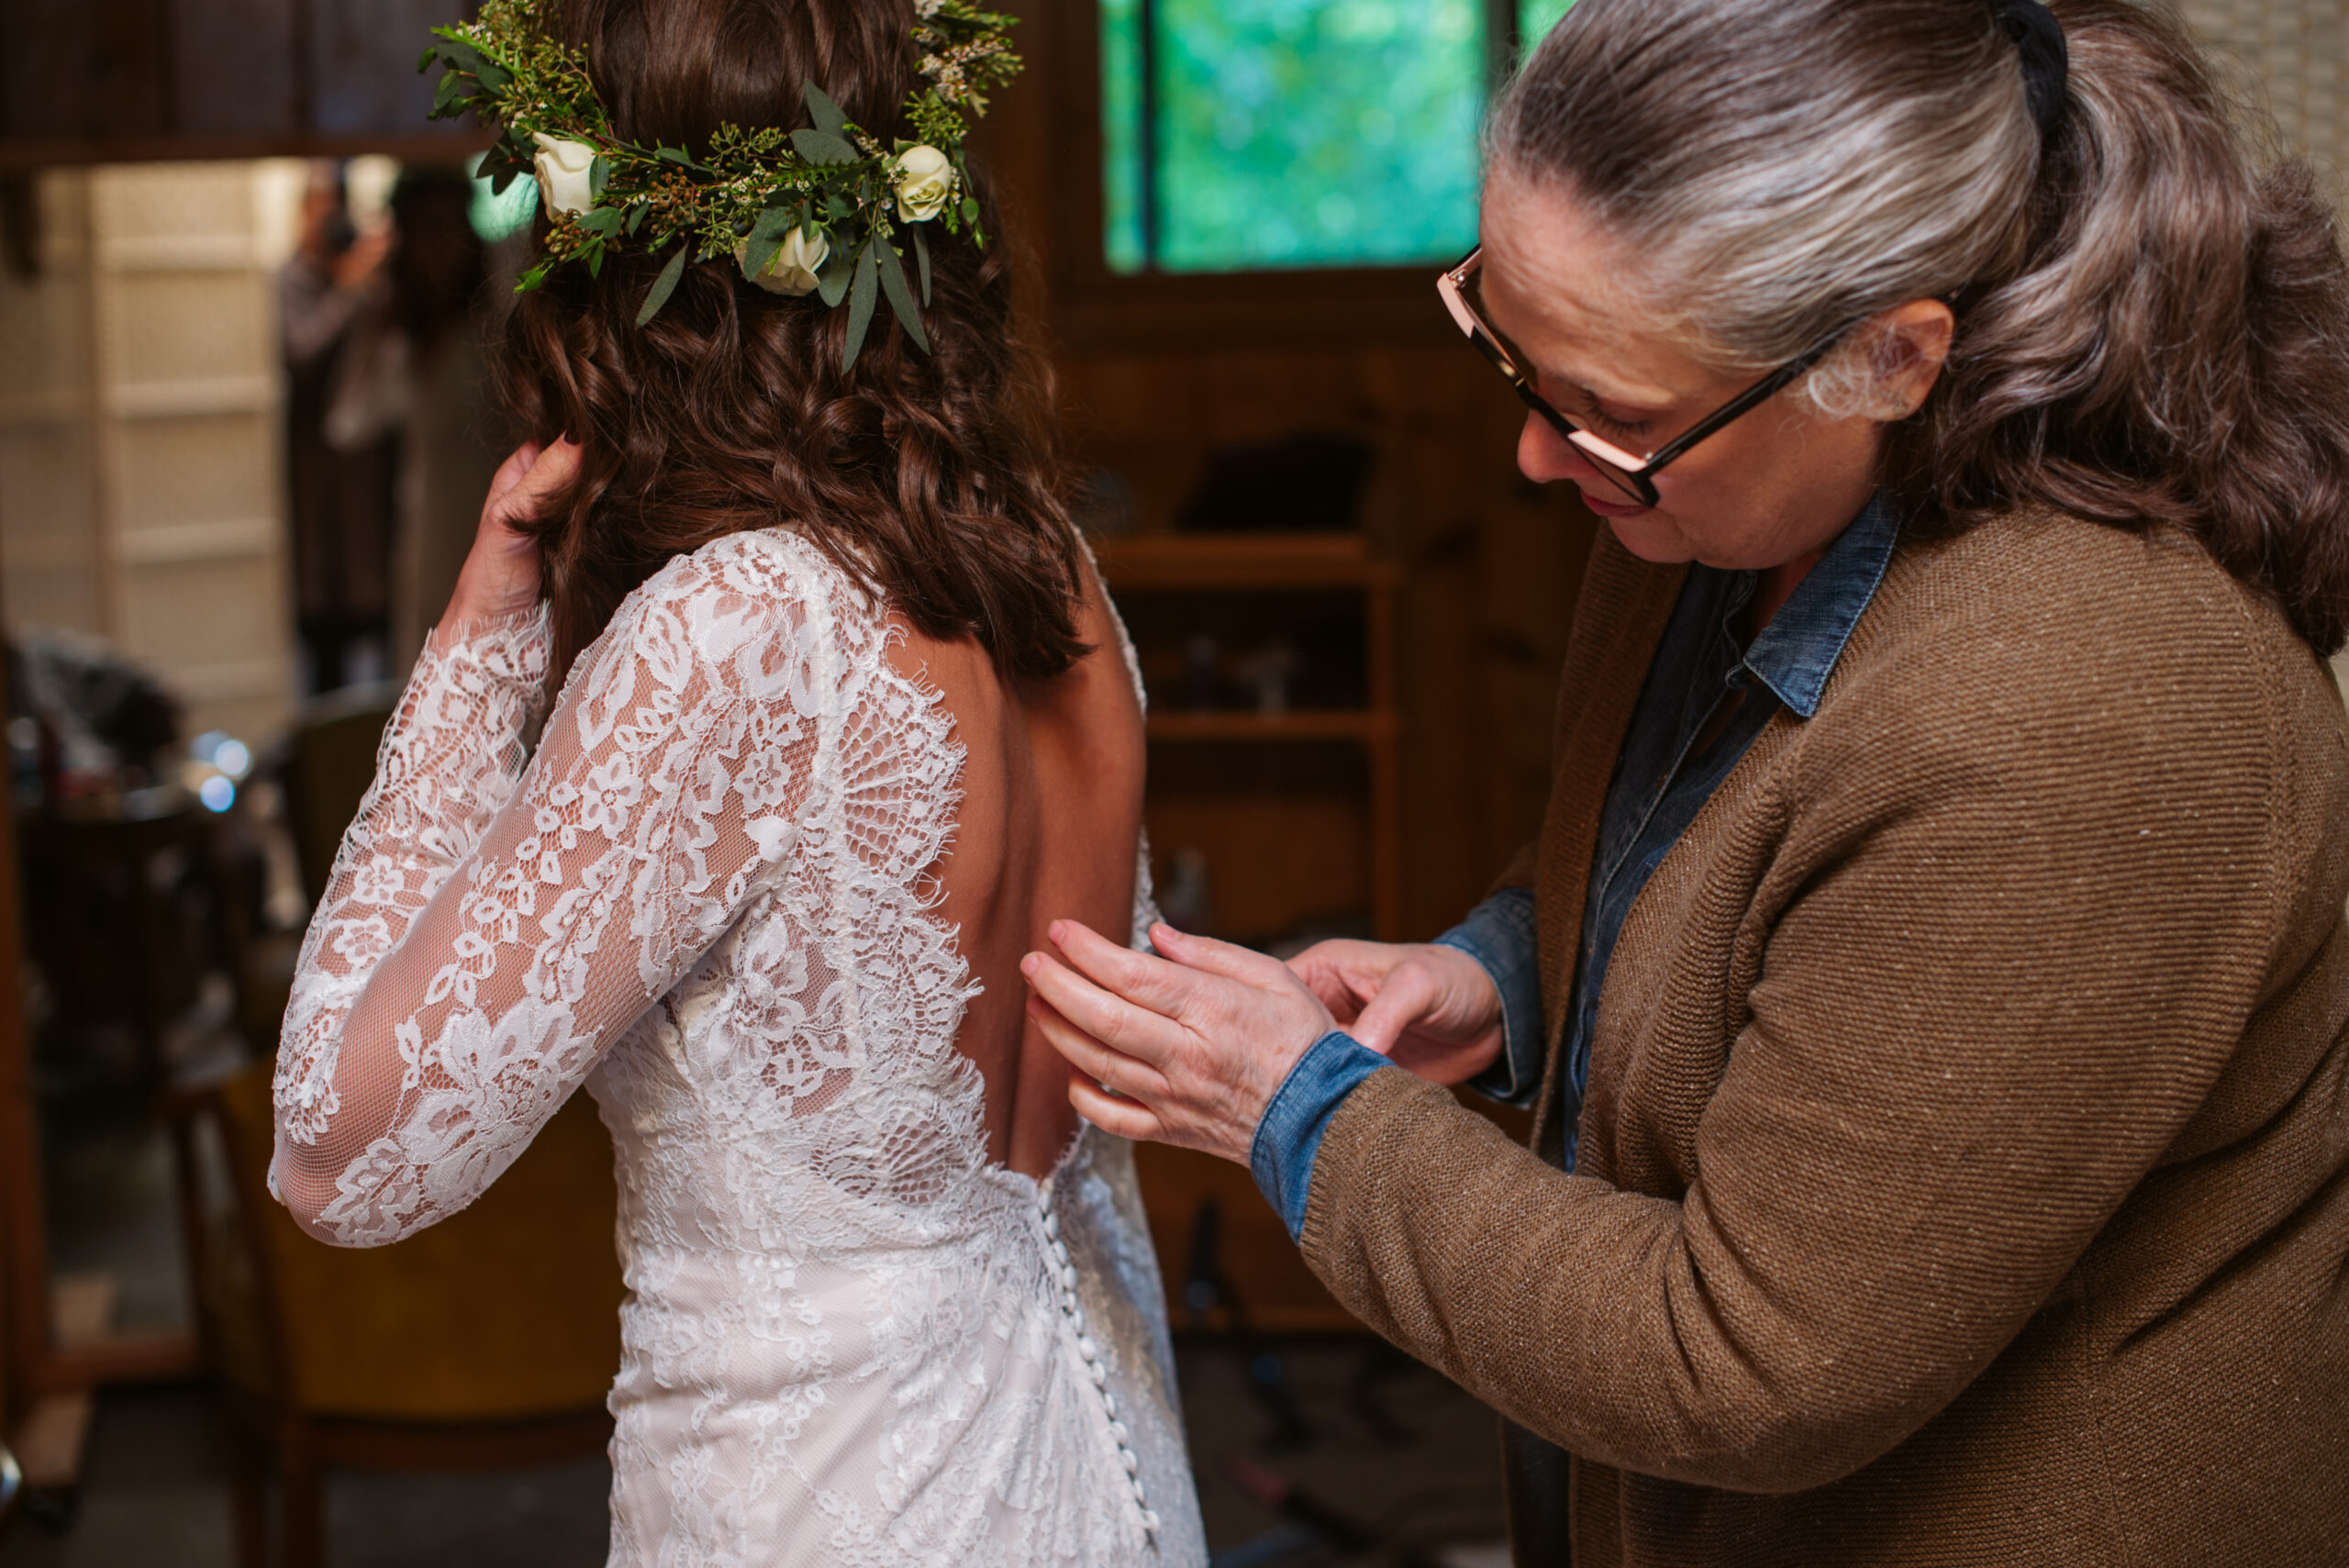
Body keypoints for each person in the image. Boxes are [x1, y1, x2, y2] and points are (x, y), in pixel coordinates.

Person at [1022, 1, 2349, 1562]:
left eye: (1614, 412)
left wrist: (1297, 1108)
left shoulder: (2077, 711)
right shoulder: (1719, 502)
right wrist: (1507, 973)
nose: (1540, 455)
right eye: (1510, 348)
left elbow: (1748, 1361)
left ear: (1891, 356)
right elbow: (1746, 864)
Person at [269, 1, 1206, 1562]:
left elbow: (338, 1156)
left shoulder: (741, 629)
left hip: (836, 1504)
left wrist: (480, 639)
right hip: (1102, 1467)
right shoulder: (1050, 568)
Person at [323, 165, 507, 677]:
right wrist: (373, 318)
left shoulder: (498, 320)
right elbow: (347, 424)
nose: (441, 246)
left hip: (503, 517)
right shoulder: (401, 336)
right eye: (428, 229)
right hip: (430, 530)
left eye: (450, 226)